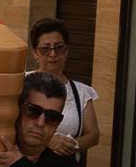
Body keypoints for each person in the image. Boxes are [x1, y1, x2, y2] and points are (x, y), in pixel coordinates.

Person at [29, 18, 100, 156]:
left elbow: (93, 135)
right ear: (35, 53)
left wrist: (71, 144)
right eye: (45, 49)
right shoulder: (22, 82)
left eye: (59, 47)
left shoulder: (81, 92)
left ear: (66, 51)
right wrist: (48, 141)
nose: (53, 54)